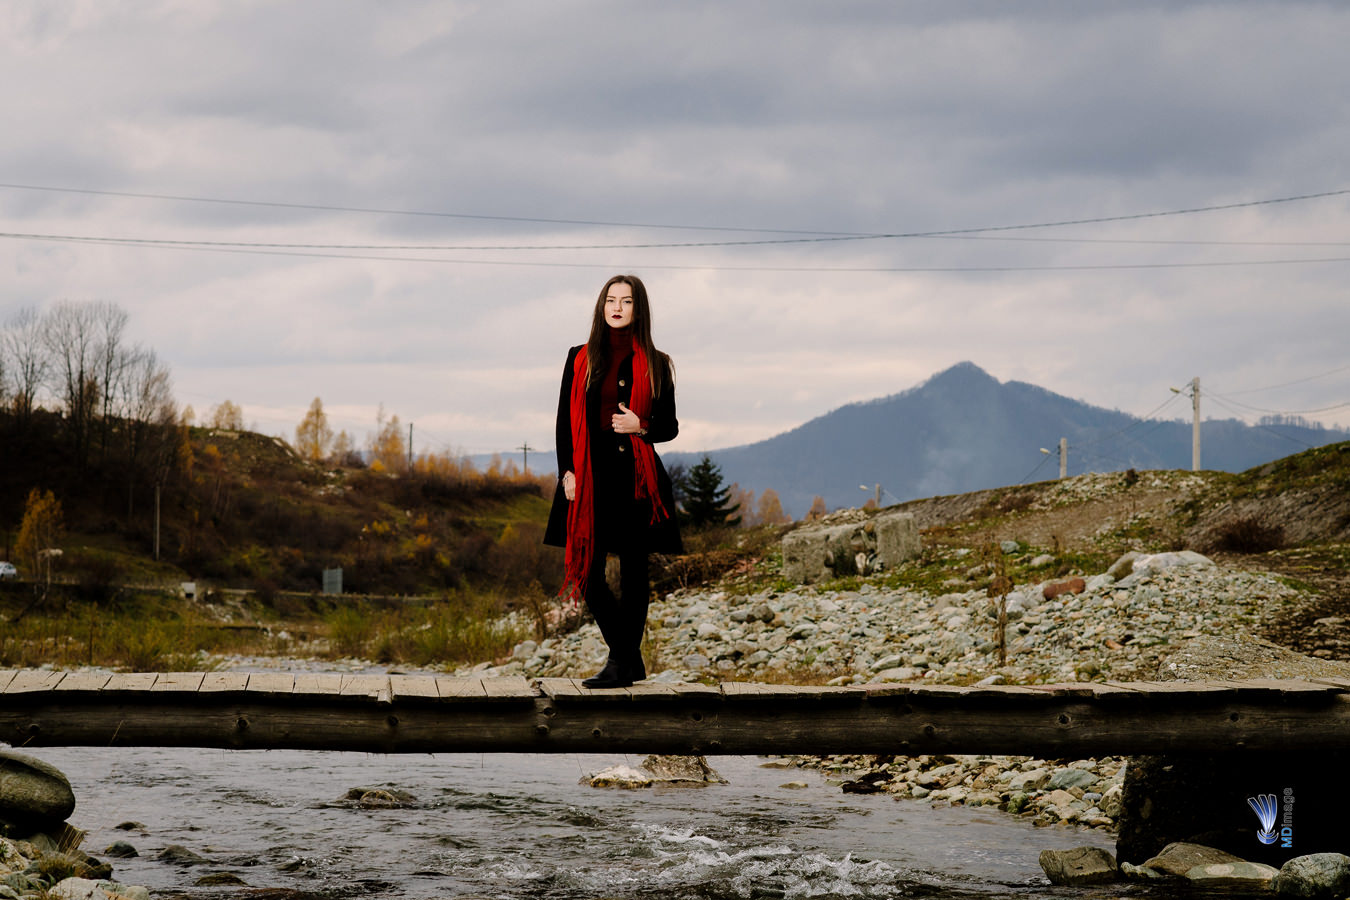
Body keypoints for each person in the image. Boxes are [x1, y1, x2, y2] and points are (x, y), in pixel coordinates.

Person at [543, 274, 682, 688]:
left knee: (635, 574)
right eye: (610, 300)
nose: (617, 308)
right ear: (601, 307)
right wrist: (567, 471)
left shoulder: (657, 363)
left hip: (635, 478)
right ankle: (628, 658)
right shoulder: (579, 357)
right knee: (586, 570)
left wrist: (642, 425)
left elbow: (669, 427)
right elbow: (563, 422)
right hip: (589, 475)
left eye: (626, 301)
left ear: (639, 309)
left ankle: (621, 664)